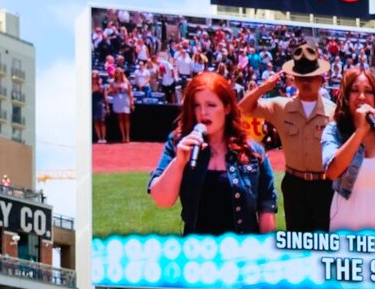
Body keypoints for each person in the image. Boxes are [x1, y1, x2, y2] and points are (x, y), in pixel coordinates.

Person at [149, 72, 277, 235]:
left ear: (227, 108)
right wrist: (179, 162)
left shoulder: (253, 152)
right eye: (197, 105)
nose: (203, 112)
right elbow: (162, 201)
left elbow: (266, 208)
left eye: (211, 105)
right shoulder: (179, 145)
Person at [238, 44, 336, 233]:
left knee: (323, 244)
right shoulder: (280, 107)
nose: (306, 82)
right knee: (296, 244)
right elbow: (241, 110)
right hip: (294, 184)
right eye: (301, 78)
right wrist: (264, 87)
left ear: (321, 79)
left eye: (311, 78)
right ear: (294, 80)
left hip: (325, 186)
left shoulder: (333, 111)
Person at [322, 68, 375, 232]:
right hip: (345, 222)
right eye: (355, 90)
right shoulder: (334, 131)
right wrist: (360, 131)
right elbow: (332, 171)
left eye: (368, 91)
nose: (362, 97)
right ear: (346, 97)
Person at [107, 68, 133, 143]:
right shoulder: (112, 82)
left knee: (127, 118)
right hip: (117, 99)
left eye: (120, 73)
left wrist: (131, 102)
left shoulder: (126, 82)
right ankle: (123, 136)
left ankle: (128, 136)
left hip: (125, 99)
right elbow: (109, 92)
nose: (118, 74)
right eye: (117, 72)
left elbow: (130, 92)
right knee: (120, 118)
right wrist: (115, 89)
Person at [92, 71, 108, 143]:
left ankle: (103, 137)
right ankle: (99, 138)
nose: (94, 77)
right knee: (95, 121)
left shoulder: (103, 87)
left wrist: (107, 106)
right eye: (93, 75)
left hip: (101, 104)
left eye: (95, 75)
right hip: (93, 104)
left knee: (102, 121)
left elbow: (105, 97)